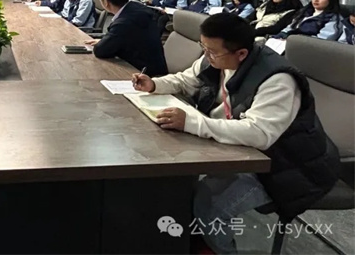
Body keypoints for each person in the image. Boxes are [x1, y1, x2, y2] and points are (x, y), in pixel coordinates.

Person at [131, 13, 339, 254]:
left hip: (285, 168)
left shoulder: (277, 80)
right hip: (241, 151)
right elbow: (187, 80)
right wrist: (155, 84)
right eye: (203, 47)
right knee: (177, 187)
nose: (206, 55)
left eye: (212, 52)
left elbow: (259, 134)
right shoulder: (215, 57)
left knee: (211, 205)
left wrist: (194, 123)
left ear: (241, 53)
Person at [84, 0, 168, 76]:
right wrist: (106, 40)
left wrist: (105, 43)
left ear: (106, 2)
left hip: (144, 75)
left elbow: (100, 51)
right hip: (154, 67)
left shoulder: (123, 22)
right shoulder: (136, 7)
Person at [273, 0, 343, 41]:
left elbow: (323, 39)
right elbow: (291, 27)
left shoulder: (334, 18)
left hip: (306, 46)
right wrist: (283, 34)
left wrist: (294, 40)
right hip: (288, 41)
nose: (316, 0)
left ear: (331, 1)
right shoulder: (305, 12)